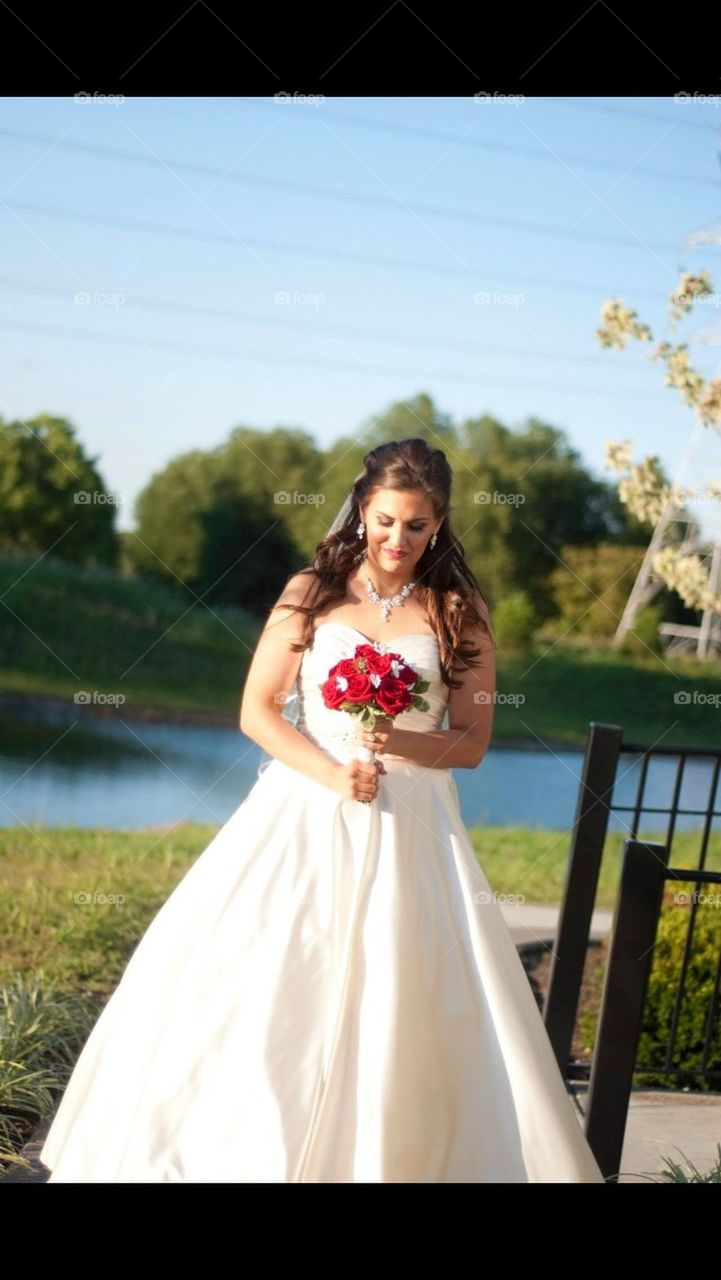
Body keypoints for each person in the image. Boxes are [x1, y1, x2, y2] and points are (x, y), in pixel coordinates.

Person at [39, 437, 605, 1183]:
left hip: (413, 827)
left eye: (415, 526)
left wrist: (395, 737)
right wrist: (333, 774)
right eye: (383, 520)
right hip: (301, 811)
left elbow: (469, 743)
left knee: (404, 997)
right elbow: (258, 711)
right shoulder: (311, 592)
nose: (396, 541)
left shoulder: (459, 614)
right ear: (359, 512)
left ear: (439, 525)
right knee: (262, 982)